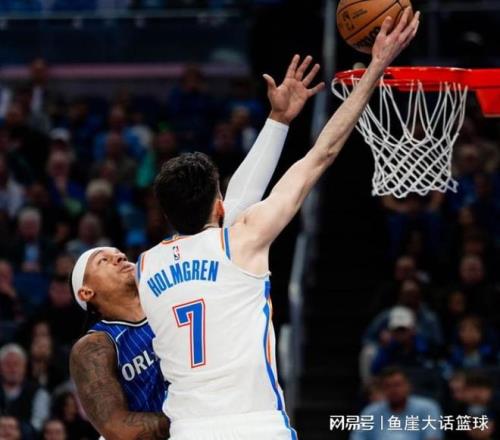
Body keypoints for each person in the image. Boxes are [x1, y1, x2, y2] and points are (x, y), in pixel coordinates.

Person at [136, 10, 419, 440]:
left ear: (165, 214)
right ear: (219, 205)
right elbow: (321, 155)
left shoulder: (145, 267)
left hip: (187, 429)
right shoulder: (242, 240)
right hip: (256, 425)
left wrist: (278, 122)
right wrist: (375, 68)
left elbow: (237, 199)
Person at [69, 54, 324, 440]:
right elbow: (116, 427)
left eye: (117, 252)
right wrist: (196, 419)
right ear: (86, 292)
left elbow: (233, 205)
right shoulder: (97, 344)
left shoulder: (163, 282)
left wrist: (277, 122)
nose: (119, 256)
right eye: (102, 261)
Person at [351, 367, 443, 440]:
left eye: (397, 385)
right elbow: (357, 437)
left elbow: (433, 437)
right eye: (388, 386)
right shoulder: (371, 411)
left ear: (408, 386)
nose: (393, 390)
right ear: (382, 389)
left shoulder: (428, 407)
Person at [0, 343, 50, 436]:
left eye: (16, 364)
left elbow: (38, 426)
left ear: (24, 366)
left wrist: (17, 431)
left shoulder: (38, 392)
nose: (12, 369)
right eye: (7, 364)